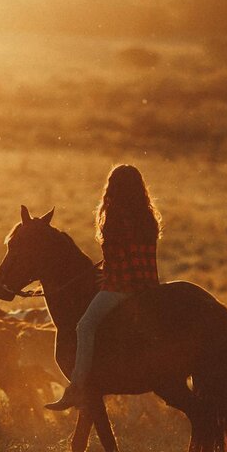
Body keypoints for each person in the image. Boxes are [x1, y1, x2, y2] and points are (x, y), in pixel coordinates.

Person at [45, 164, 161, 411]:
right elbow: (138, 256)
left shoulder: (116, 218)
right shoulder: (147, 217)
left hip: (122, 286)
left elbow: (120, 260)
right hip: (149, 285)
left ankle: (77, 386)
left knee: (84, 326)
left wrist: (107, 278)